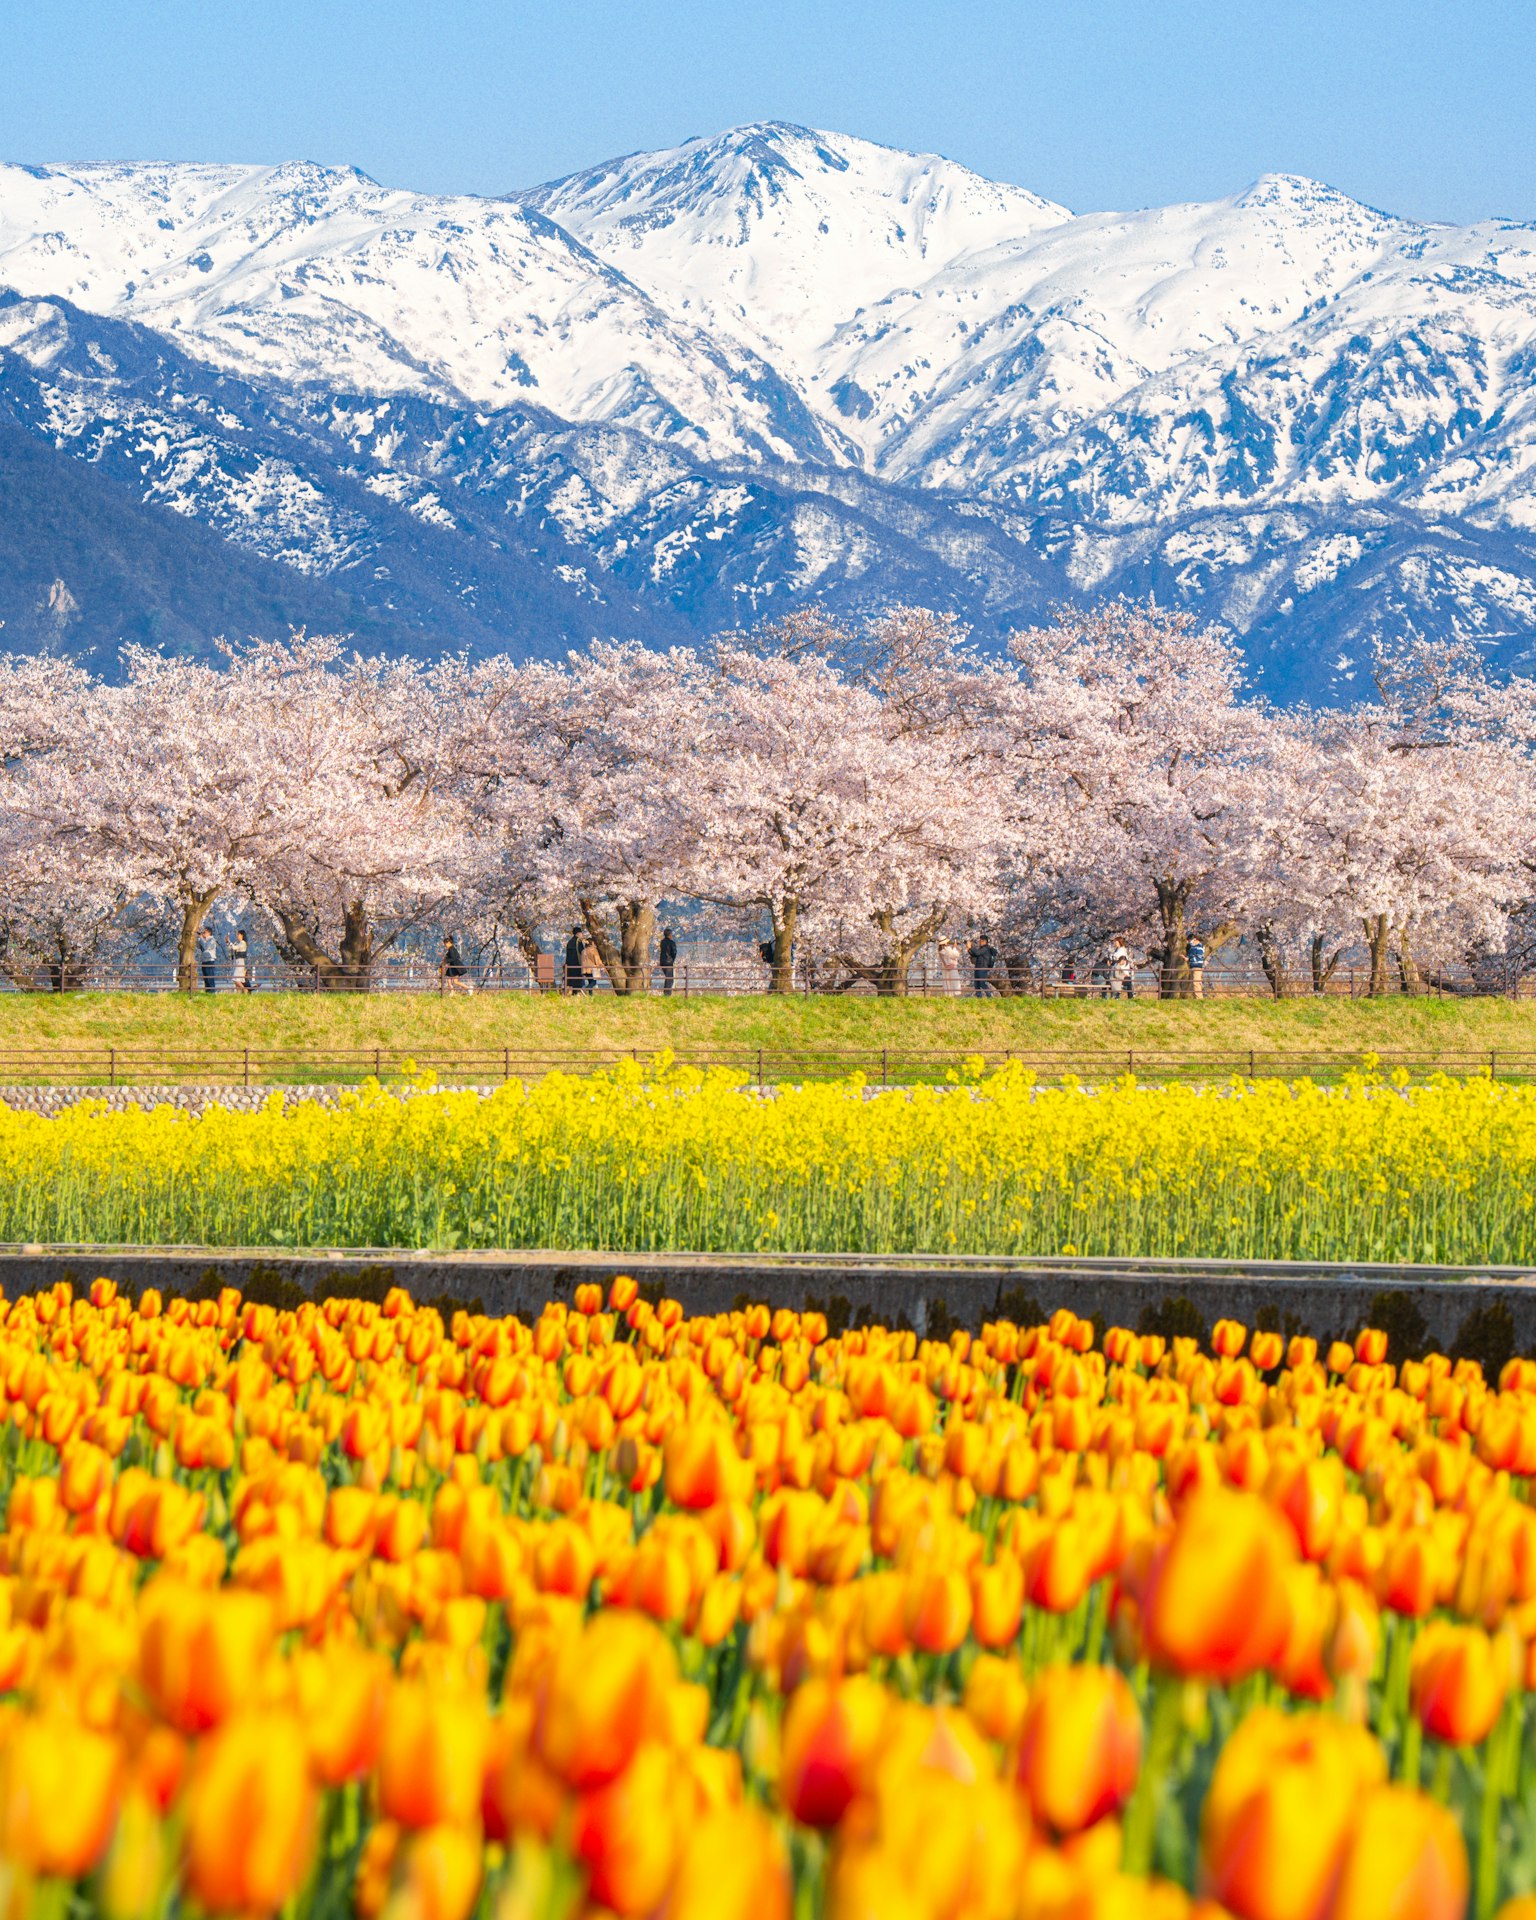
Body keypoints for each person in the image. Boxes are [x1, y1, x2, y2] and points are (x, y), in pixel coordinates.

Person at [970, 932, 998, 997]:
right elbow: (974, 954)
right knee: (977, 984)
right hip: (978, 968)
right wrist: (969, 949)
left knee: (982, 983)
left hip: (982, 968)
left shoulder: (986, 948)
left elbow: (977, 953)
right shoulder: (982, 949)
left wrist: (972, 946)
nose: (980, 942)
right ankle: (979, 997)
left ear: (985, 941)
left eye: (981, 941)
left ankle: (989, 995)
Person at [229, 929, 252, 994]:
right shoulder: (239, 943)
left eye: (238, 934)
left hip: (240, 962)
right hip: (238, 962)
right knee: (238, 980)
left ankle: (245, 990)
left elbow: (234, 948)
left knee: (236, 979)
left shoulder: (243, 943)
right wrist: (228, 943)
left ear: (242, 935)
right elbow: (232, 948)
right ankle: (239, 994)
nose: (237, 936)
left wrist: (229, 942)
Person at [563, 926, 585, 994]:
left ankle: (573, 993)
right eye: (581, 933)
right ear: (578, 933)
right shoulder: (578, 941)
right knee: (577, 980)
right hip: (577, 964)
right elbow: (582, 952)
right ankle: (575, 993)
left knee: (572, 980)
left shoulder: (570, 942)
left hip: (569, 964)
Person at [197, 926, 217, 995]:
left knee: (210, 977)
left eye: (204, 932)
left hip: (209, 960)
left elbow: (206, 947)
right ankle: (208, 992)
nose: (203, 933)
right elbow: (198, 946)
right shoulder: (204, 940)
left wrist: (201, 938)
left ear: (209, 933)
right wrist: (199, 938)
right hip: (204, 960)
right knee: (206, 978)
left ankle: (212, 992)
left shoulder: (212, 940)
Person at [1186, 934, 1207, 999]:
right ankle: (1197, 997)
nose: (1189, 942)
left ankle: (1199, 999)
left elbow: (1190, 956)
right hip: (1195, 966)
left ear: (1194, 939)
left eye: (1189, 940)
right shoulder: (1200, 946)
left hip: (1196, 966)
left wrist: (1186, 957)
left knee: (1196, 983)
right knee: (1196, 982)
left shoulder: (1195, 947)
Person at [659, 926, 678, 996]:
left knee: (668, 978)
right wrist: (672, 959)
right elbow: (674, 953)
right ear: (670, 935)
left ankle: (666, 992)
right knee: (670, 978)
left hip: (662, 962)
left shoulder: (662, 942)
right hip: (668, 962)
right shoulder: (672, 943)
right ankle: (667, 994)